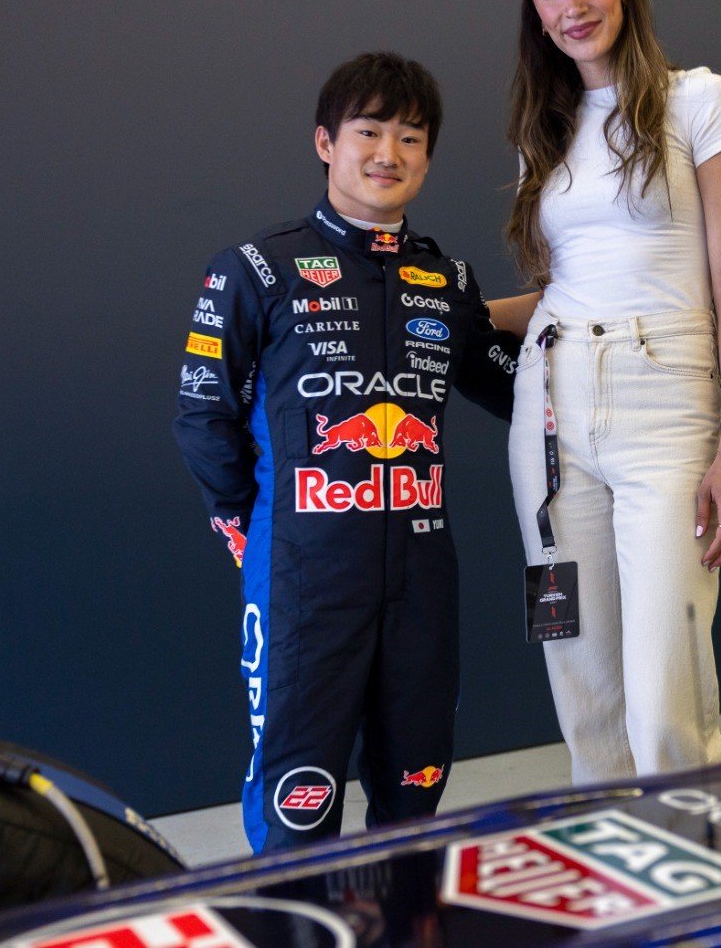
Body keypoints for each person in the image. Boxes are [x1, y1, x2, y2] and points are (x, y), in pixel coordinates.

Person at [174, 52, 517, 853]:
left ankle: (403, 915)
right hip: (304, 579)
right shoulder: (257, 269)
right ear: (326, 142)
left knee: (413, 803)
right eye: (368, 131)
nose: (388, 153)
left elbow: (518, 389)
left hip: (422, 582)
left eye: (411, 138)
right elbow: (202, 416)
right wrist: (254, 528)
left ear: (427, 157)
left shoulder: (446, 280)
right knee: (298, 809)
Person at [489, 0, 721, 784]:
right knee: (586, 693)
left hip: (666, 399)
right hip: (550, 405)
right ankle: (613, 859)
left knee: (663, 699)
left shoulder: (700, 100)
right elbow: (562, 291)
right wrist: (435, 307)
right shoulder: (544, 134)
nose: (573, 4)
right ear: (535, 11)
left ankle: (700, 860)